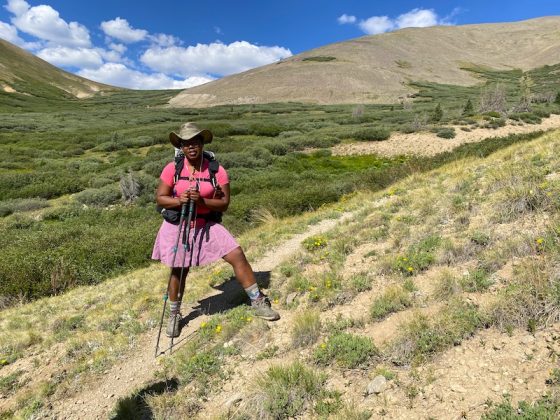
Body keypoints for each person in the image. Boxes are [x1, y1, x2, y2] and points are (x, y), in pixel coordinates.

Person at [152, 122, 280, 338]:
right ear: (181, 147)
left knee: (236, 254)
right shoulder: (172, 168)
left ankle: (258, 301)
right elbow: (160, 198)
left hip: (206, 223)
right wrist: (179, 200)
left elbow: (224, 203)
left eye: (196, 142)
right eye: (186, 144)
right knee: (178, 269)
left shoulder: (217, 170)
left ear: (202, 144)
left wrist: (202, 201)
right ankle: (174, 315)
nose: (191, 147)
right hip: (178, 226)